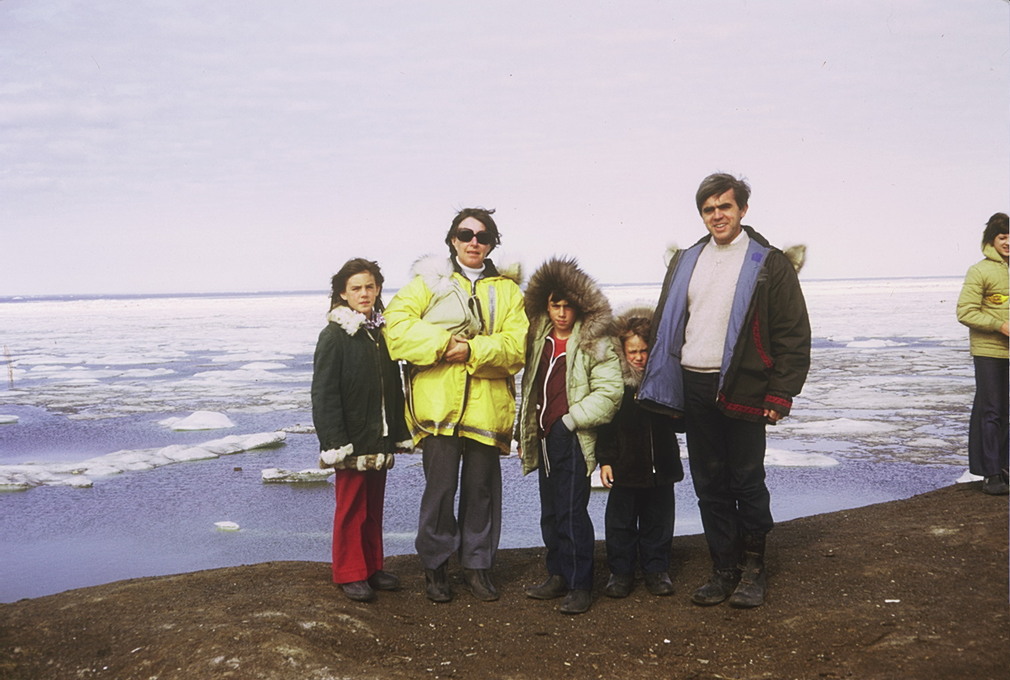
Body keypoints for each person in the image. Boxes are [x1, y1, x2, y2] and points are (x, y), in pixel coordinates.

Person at [638, 173, 811, 609]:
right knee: (709, 482)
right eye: (709, 209)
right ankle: (723, 569)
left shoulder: (768, 263)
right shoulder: (686, 261)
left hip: (744, 386)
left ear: (743, 210)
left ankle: (753, 569)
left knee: (747, 480)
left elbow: (792, 334)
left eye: (725, 207)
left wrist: (780, 394)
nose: (717, 215)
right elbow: (665, 324)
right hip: (694, 383)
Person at [384, 208, 528, 603]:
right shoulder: (427, 283)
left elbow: (517, 347)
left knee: (481, 490)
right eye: (466, 234)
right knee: (440, 489)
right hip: (437, 407)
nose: (474, 243)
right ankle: (435, 566)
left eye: (483, 236)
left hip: (486, 407)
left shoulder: (509, 290)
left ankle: (477, 566)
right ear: (453, 239)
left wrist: (472, 349)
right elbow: (396, 328)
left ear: (492, 243)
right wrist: (442, 344)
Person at [517, 257, 623, 615]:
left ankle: (580, 584)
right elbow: (530, 386)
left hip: (574, 437)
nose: (562, 313)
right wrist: (527, 431)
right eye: (555, 305)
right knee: (550, 511)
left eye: (568, 306)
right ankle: (557, 575)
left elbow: (610, 394)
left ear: (578, 306)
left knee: (573, 512)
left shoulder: (595, 339)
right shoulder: (539, 337)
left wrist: (569, 421)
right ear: (546, 305)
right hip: (544, 435)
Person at [311, 258, 412, 602]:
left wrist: (397, 430)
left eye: (369, 286)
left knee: (373, 506)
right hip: (351, 440)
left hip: (378, 435)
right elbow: (324, 394)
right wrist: (335, 441)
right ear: (343, 293)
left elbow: (392, 386)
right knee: (351, 507)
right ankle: (349, 573)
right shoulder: (335, 335)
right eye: (356, 288)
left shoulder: (380, 334)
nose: (364, 293)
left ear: (379, 288)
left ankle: (371, 567)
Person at [596, 307, 684, 599]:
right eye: (632, 350)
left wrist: (676, 414)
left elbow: (682, 419)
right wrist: (606, 460)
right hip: (625, 465)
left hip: (662, 463)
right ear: (622, 350)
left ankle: (656, 570)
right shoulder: (615, 383)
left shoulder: (665, 379)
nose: (638, 356)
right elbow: (605, 424)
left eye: (644, 350)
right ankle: (620, 572)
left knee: (658, 521)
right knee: (620, 523)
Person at [956, 212, 1009, 495]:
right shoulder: (980, 271)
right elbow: (965, 311)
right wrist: (999, 325)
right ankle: (991, 474)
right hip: (989, 352)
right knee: (991, 411)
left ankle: (1005, 467)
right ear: (992, 240)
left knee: (1008, 412)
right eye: (1003, 237)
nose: (1008, 242)